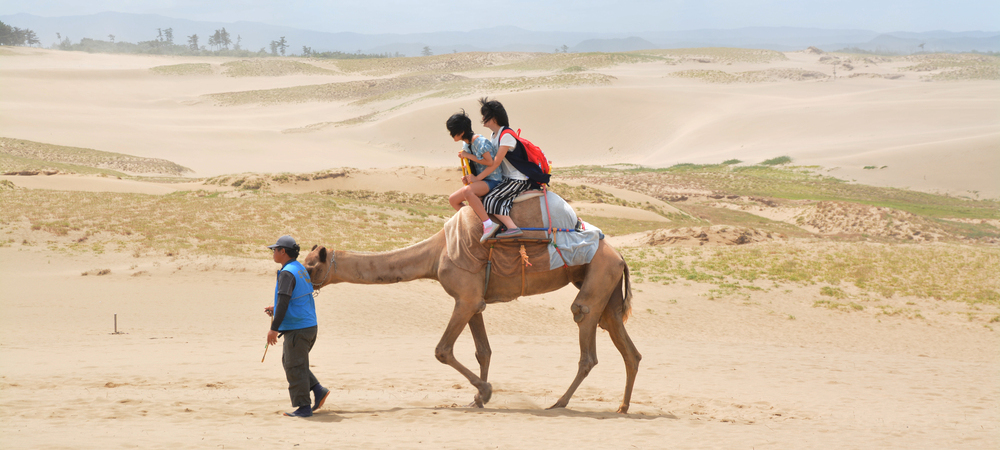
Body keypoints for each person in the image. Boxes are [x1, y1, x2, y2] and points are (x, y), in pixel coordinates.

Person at [264, 235, 330, 418]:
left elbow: (285, 300)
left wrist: (273, 329)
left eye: (274, 249)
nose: (273, 252)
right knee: (292, 362)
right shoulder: (298, 268)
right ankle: (318, 390)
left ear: (283, 251)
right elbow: (291, 298)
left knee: (294, 365)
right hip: (308, 326)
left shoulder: (287, 272)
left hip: (299, 328)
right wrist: (275, 308)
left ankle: (303, 407)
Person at [479, 97, 551, 239]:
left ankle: (512, 228)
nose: (482, 118)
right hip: (507, 178)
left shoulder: (506, 136)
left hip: (518, 179)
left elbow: (495, 162)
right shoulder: (494, 135)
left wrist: (478, 178)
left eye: (484, 114)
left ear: (492, 117)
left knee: (490, 200)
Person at [446, 110, 504, 243]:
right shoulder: (466, 144)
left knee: (468, 191)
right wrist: (468, 177)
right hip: (481, 180)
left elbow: (490, 162)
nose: (450, 134)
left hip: (493, 180)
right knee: (453, 200)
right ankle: (476, 223)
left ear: (460, 132)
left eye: (452, 131)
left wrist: (468, 156)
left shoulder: (479, 141)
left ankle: (489, 224)